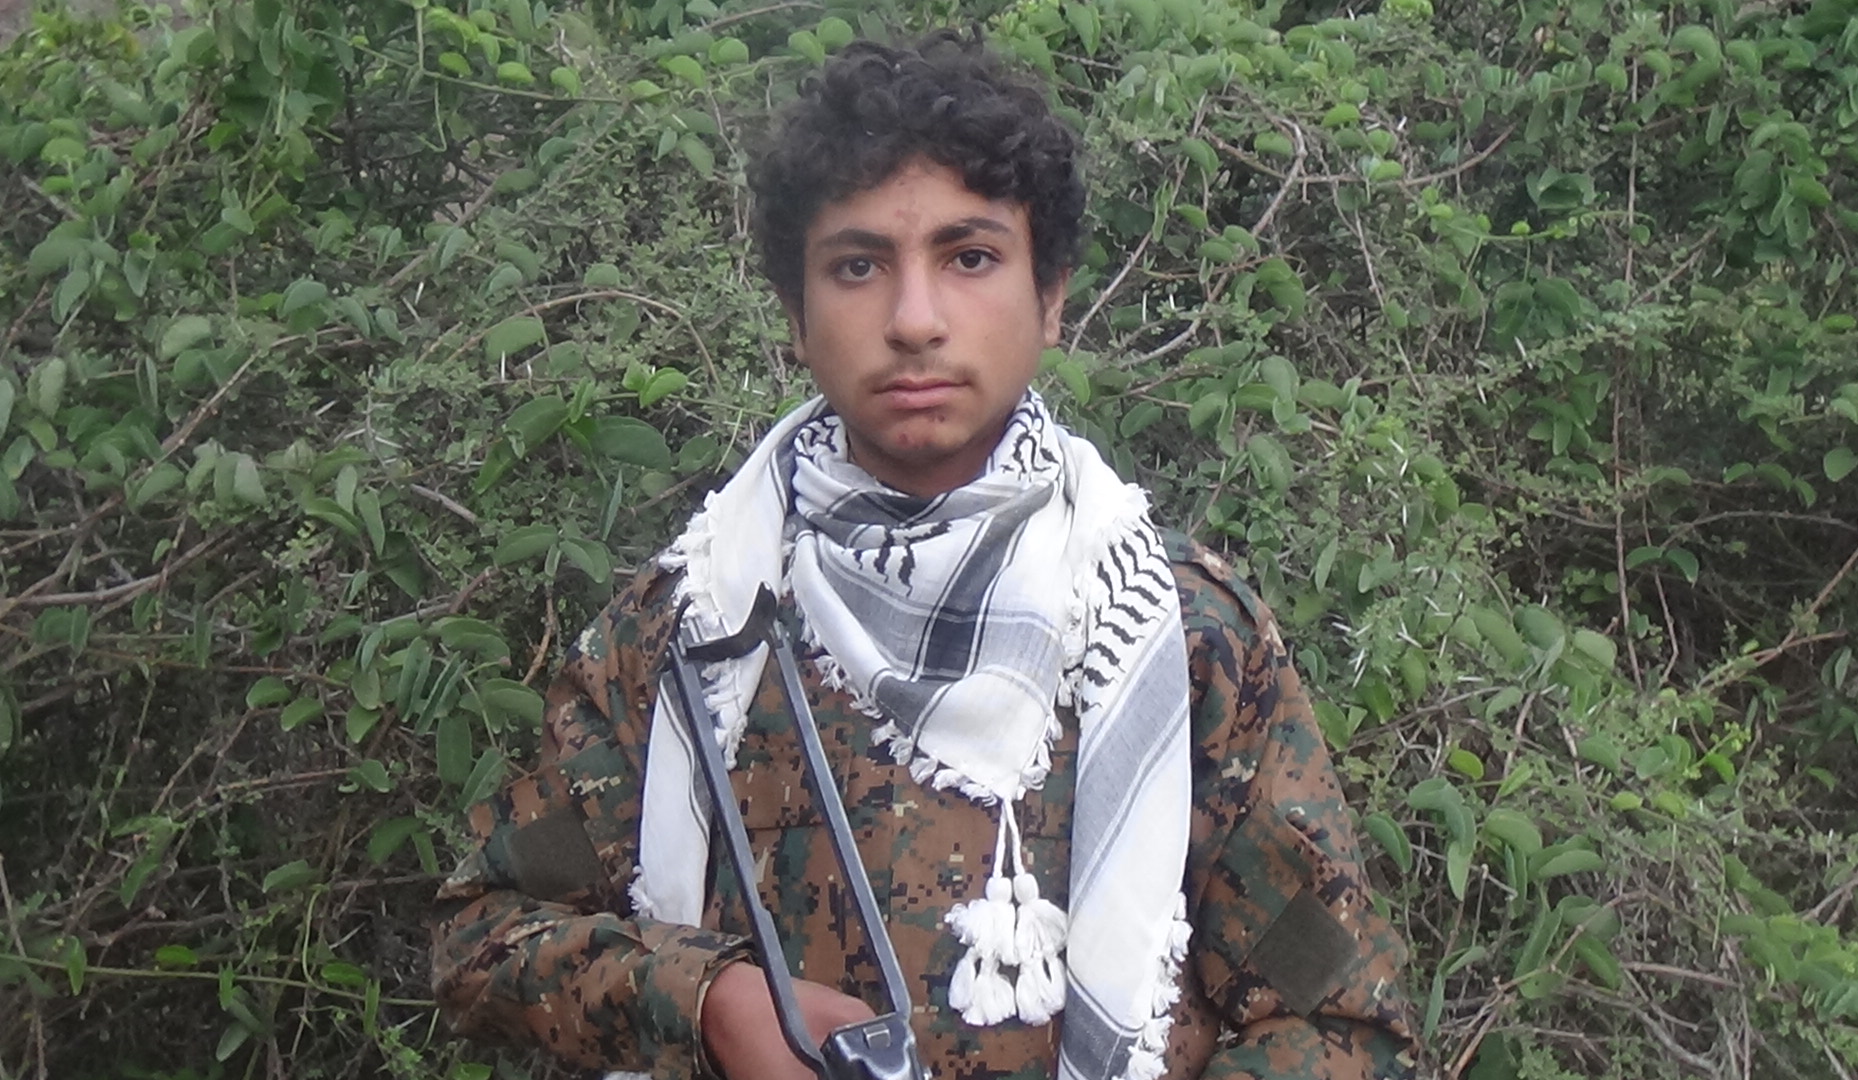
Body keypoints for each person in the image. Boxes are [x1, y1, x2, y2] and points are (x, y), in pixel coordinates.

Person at [430, 29, 1415, 1080]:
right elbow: (487, 929)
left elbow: (1339, 1020)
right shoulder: (690, 629)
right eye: (857, 266)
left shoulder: (1180, 633)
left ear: (1051, 298)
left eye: (970, 257)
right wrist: (707, 1003)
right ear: (795, 315)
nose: (913, 320)